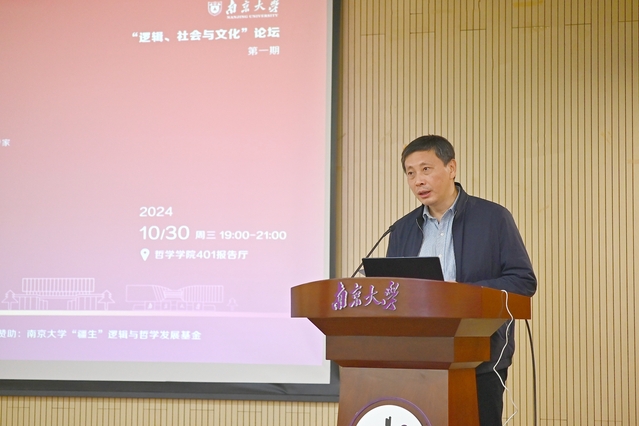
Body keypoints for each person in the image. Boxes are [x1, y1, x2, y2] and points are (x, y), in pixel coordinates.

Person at [386, 135, 537, 426]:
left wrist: (464, 294)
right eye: (410, 173)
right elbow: (394, 292)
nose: (418, 180)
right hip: (416, 361)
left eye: (426, 169)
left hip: (480, 357)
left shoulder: (493, 218)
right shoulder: (402, 229)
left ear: (451, 168)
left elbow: (523, 281)